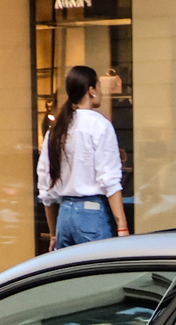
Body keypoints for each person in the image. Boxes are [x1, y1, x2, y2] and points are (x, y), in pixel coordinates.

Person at [36, 64, 126, 249]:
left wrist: (54, 234)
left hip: (64, 216)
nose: (101, 92)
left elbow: (46, 187)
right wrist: (122, 226)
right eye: (99, 86)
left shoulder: (56, 130)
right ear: (91, 90)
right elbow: (109, 179)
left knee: (69, 276)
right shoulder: (99, 126)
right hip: (92, 214)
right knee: (100, 276)